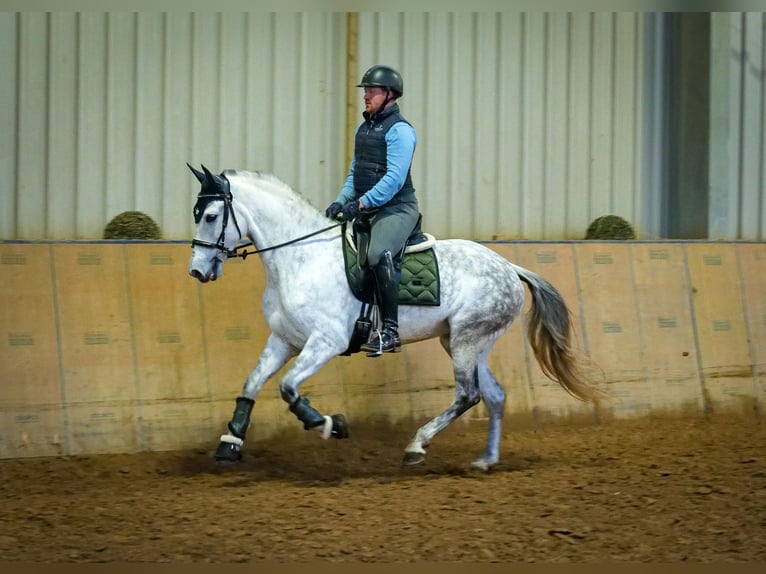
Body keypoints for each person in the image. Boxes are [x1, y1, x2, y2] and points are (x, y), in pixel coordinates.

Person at [325, 64, 421, 355]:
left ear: (390, 94)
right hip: (367, 208)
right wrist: (342, 200)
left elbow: (393, 179)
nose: (366, 95)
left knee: (378, 253)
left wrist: (361, 203)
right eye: (366, 90)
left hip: (397, 209)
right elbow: (356, 173)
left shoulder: (400, 131)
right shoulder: (364, 128)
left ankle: (390, 331)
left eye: (372, 90)